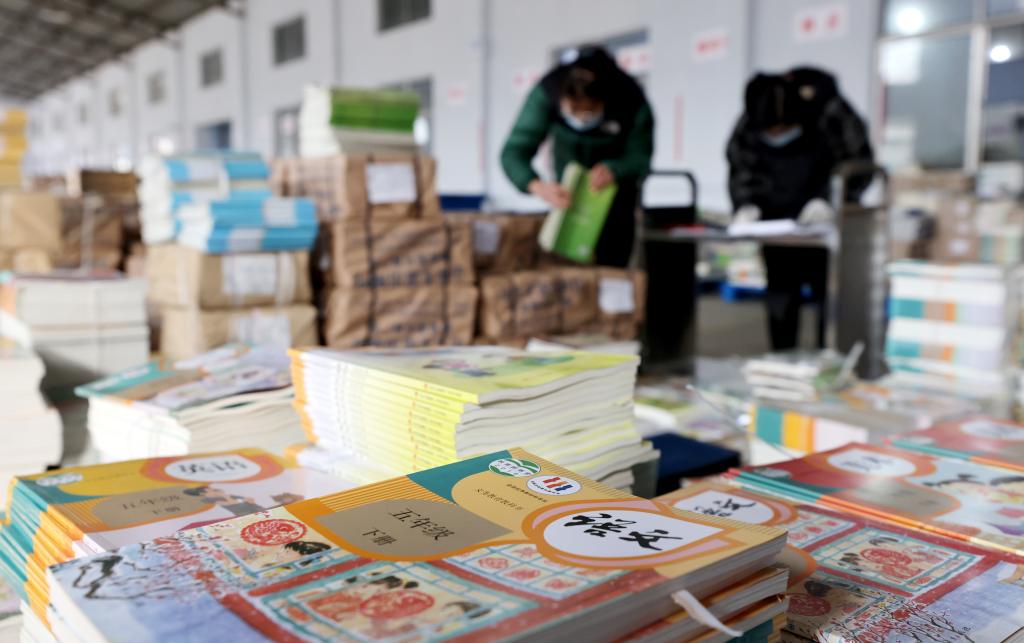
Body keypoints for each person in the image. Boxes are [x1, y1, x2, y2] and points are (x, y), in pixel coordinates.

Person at [726, 67, 873, 350]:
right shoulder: (754, 115)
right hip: (777, 229)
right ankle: (783, 365)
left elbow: (858, 163)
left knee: (830, 300)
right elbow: (741, 165)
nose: (777, 136)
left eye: (783, 129)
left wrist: (830, 200)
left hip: (823, 228)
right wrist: (747, 203)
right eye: (770, 132)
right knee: (780, 299)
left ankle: (830, 361)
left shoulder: (831, 112)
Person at [500, 46, 654, 267]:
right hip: (567, 205)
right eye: (573, 111)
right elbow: (513, 152)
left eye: (589, 112)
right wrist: (537, 186)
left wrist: (617, 169)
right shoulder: (547, 93)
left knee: (612, 271)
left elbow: (641, 158)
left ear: (604, 101)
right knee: (566, 271)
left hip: (616, 207)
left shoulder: (630, 98)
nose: (581, 119)